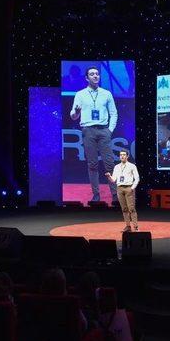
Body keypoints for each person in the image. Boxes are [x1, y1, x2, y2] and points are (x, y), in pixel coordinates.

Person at [70, 66, 118, 203]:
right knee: (92, 164)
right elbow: (73, 116)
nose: (95, 76)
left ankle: (115, 195)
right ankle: (96, 195)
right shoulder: (80, 94)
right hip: (88, 131)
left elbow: (114, 113)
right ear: (87, 78)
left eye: (97, 74)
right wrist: (77, 112)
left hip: (104, 131)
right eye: (92, 74)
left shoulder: (106, 93)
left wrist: (110, 130)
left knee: (109, 164)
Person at [105, 150, 140, 232]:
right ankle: (128, 226)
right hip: (120, 188)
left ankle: (135, 227)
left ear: (127, 156)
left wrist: (132, 188)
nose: (122, 156)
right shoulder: (116, 167)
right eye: (121, 155)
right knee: (124, 209)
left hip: (129, 188)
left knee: (131, 208)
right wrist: (109, 176)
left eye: (124, 155)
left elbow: (137, 178)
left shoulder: (132, 166)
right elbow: (113, 180)